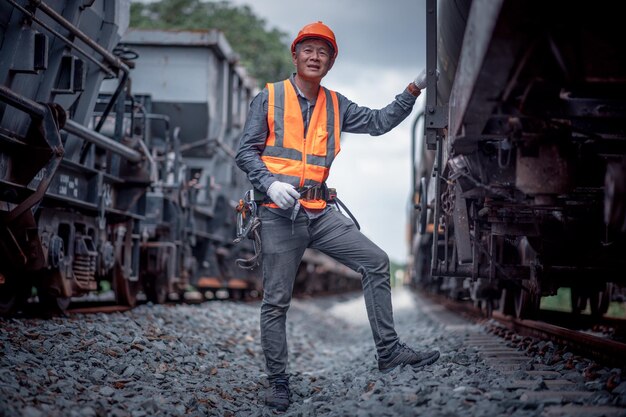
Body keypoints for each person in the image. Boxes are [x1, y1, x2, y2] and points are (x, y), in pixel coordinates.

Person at [235, 21, 440, 412]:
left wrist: (415, 88)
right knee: (276, 301)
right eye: (308, 50)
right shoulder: (269, 98)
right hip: (278, 212)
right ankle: (278, 382)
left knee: (376, 262)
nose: (315, 57)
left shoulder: (335, 104)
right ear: (295, 56)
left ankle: (389, 352)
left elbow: (379, 123)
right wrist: (269, 183)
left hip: (319, 212)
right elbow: (245, 152)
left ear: (330, 62)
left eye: (323, 52)